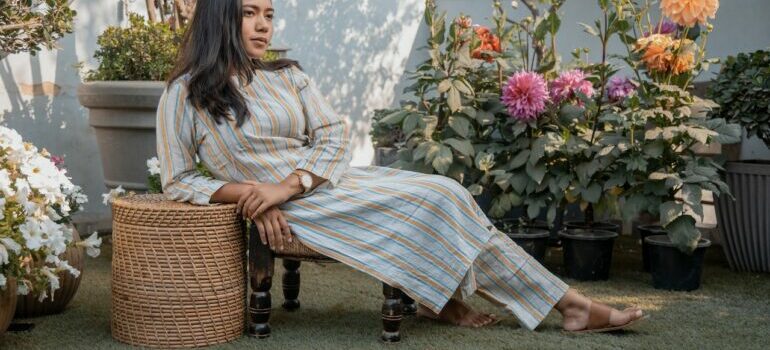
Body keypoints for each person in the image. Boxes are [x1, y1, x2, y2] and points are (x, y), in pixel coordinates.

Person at [157, 0, 646, 333]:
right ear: (221, 18)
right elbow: (178, 180)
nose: (264, 25)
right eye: (249, 14)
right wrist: (248, 194)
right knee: (437, 198)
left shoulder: (287, 76)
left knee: (446, 191)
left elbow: (332, 135)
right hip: (305, 212)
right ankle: (566, 305)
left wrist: (288, 184)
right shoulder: (185, 94)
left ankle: (519, 301)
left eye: (269, 14)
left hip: (322, 185)